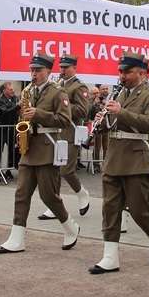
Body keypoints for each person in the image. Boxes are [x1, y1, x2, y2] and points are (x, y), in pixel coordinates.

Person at [88, 52, 149, 274]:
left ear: (141, 73)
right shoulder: (118, 93)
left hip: (136, 157)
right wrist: (100, 122)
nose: (122, 76)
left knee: (139, 208)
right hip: (114, 157)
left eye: (127, 72)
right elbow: (111, 123)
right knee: (110, 208)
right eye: (121, 71)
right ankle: (110, 257)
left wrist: (121, 112)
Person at [0, 53, 79, 253]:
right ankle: (17, 238)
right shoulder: (27, 90)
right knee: (21, 193)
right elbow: (23, 118)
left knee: (48, 196)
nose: (34, 74)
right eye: (32, 70)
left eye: (38, 70)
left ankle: (70, 227)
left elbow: (65, 120)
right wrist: (20, 131)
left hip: (48, 147)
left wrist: (39, 114)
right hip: (30, 148)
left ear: (48, 72)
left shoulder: (58, 92)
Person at [38, 54, 92, 219]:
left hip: (70, 132)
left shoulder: (79, 87)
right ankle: (55, 205)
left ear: (74, 68)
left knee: (66, 170)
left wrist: (62, 106)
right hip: (56, 132)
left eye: (66, 67)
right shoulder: (57, 84)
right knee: (54, 170)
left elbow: (83, 111)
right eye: (61, 67)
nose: (62, 70)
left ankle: (82, 193)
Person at [0, 82, 20, 182]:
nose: (13, 91)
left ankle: (9, 171)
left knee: (12, 150)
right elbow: (5, 112)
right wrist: (17, 106)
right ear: (4, 90)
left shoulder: (15, 98)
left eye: (13, 89)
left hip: (12, 128)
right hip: (2, 129)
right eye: (10, 89)